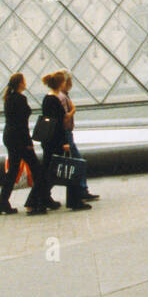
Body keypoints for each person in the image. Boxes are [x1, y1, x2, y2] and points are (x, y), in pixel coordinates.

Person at [25, 71, 88, 213]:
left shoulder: (47, 98)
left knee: (47, 173)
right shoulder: (54, 100)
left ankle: (36, 202)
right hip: (56, 141)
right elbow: (60, 122)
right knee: (59, 171)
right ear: (60, 83)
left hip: (49, 141)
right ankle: (71, 201)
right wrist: (64, 142)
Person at [0, 73, 40, 215]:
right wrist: (28, 142)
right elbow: (22, 124)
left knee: (13, 171)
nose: (25, 83)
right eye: (24, 80)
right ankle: (36, 201)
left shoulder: (8, 98)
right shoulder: (20, 99)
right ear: (20, 83)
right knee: (37, 170)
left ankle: (2, 203)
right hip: (19, 139)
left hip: (9, 137)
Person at [60, 72, 98, 202]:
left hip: (66, 134)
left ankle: (81, 190)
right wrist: (73, 111)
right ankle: (81, 191)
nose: (70, 85)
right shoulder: (62, 97)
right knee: (78, 162)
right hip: (66, 135)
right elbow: (64, 118)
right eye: (69, 83)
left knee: (73, 162)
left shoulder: (62, 96)